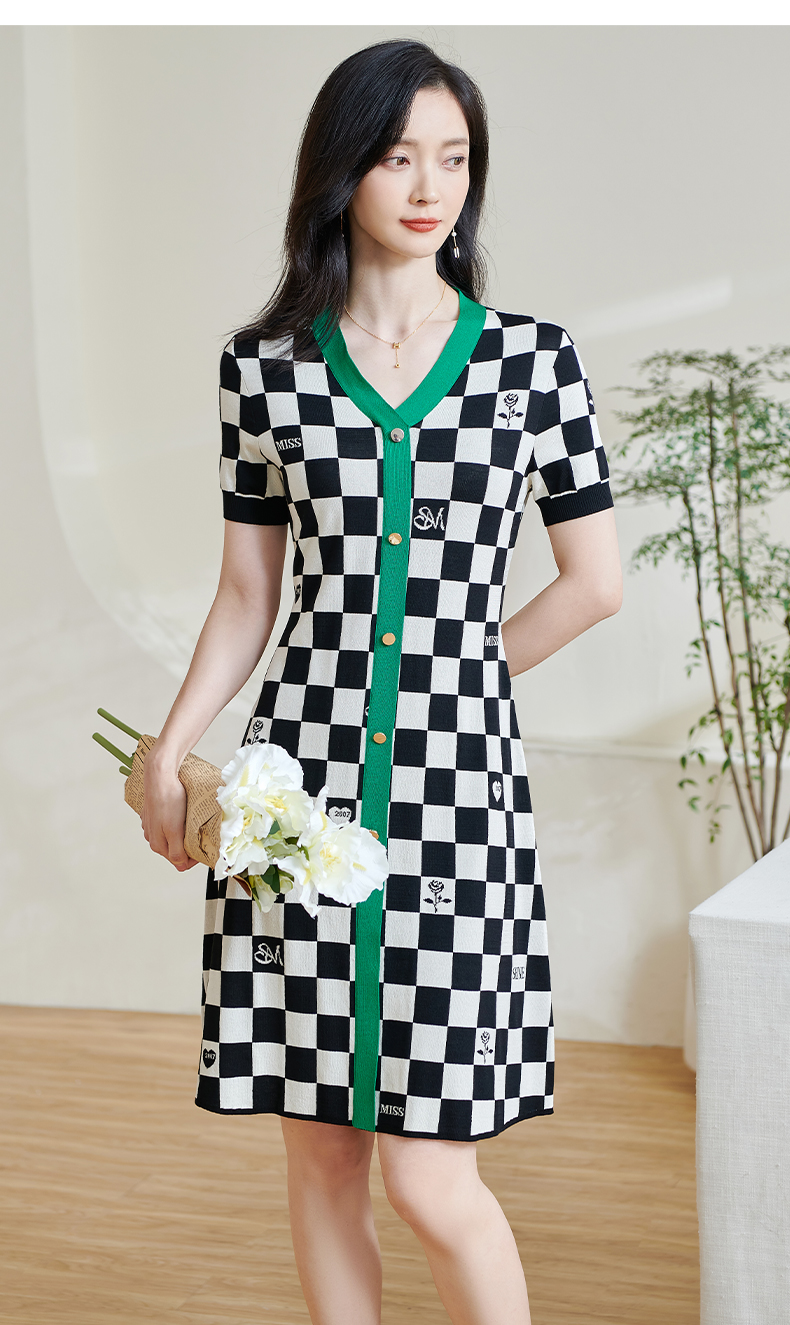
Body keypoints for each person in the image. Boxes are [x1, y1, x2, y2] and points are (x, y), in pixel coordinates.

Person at [142, 37, 622, 1325]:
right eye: (399, 156)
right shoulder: (264, 369)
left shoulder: (535, 362)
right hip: (292, 786)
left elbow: (594, 582)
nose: (428, 186)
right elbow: (248, 595)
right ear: (342, 168)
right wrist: (168, 748)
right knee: (319, 1156)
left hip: (458, 798)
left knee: (430, 1175)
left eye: (453, 159)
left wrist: (458, 675)